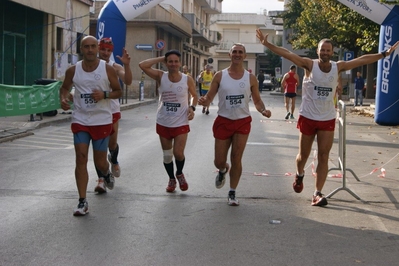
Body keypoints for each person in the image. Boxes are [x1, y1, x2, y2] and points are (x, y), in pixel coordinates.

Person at [256, 28, 399, 207]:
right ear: (318, 51)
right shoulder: (309, 65)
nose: (325, 52)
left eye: (328, 50)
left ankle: (317, 193)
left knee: (324, 156)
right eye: (322, 50)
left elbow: (361, 60)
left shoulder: (338, 67)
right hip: (308, 116)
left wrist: (384, 54)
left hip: (327, 118)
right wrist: (268, 45)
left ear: (332, 52)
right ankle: (299, 174)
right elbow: (289, 54)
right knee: (303, 156)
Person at [198, 43, 272, 206]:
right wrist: (204, 101)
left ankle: (232, 192)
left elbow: (257, 100)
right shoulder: (219, 75)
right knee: (219, 161)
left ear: (245, 56)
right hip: (223, 121)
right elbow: (210, 96)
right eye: (234, 52)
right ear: (229, 55)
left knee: (236, 157)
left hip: (242, 121)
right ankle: (223, 170)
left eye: (240, 52)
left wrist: (263, 110)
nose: (237, 54)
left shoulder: (250, 78)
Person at [59, 35, 122, 216]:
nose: (90, 50)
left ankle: (106, 173)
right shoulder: (73, 70)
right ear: (81, 49)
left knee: (100, 162)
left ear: (97, 48)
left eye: (93, 46)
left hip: (101, 120)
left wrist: (104, 95)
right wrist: (63, 98)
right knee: (80, 157)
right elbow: (64, 88)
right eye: (86, 46)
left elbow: (118, 91)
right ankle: (82, 201)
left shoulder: (107, 69)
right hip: (80, 120)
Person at [139, 50, 198, 193]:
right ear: (166, 63)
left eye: (176, 61)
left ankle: (180, 173)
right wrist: (162, 58)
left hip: (181, 121)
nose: (173, 64)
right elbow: (142, 65)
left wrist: (192, 107)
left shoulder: (186, 79)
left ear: (180, 63)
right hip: (163, 121)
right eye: (170, 61)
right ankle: (171, 179)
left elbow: (194, 96)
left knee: (178, 153)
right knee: (167, 155)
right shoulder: (161, 76)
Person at [96, 37, 132, 193]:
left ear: (111, 52)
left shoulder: (115, 67)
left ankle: (114, 159)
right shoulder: (89, 67)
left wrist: (127, 65)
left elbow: (128, 81)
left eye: (108, 50)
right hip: (95, 112)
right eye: (102, 49)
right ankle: (101, 179)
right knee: (99, 148)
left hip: (112, 110)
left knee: (111, 144)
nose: (105, 53)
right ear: (98, 49)